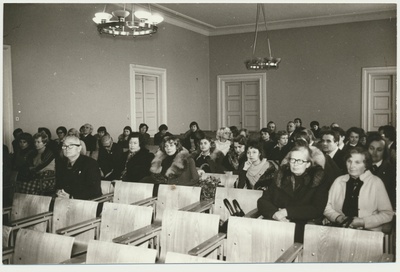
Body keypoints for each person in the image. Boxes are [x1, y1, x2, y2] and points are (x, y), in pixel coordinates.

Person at [257, 145, 329, 242]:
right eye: (293, 160)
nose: (295, 164)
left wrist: (286, 211)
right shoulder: (281, 176)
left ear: (308, 164)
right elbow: (263, 201)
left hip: (304, 228)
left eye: (300, 161)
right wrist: (274, 214)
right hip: (277, 224)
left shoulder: (318, 179)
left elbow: (317, 209)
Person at [323, 147, 394, 231]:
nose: (352, 166)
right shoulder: (339, 181)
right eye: (349, 161)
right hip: (340, 229)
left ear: (366, 165)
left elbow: (387, 214)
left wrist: (362, 222)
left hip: (368, 233)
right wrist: (338, 218)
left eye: (357, 162)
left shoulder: (376, 182)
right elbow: (326, 206)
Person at [55, 135, 102, 200]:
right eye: (64, 146)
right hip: (64, 200)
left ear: (79, 148)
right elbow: (58, 184)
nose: (67, 148)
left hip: (86, 202)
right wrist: (59, 191)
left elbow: (94, 190)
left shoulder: (90, 163)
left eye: (71, 146)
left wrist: (71, 196)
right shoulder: (61, 163)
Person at [18, 131, 56, 195]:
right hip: (35, 175)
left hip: (46, 178)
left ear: (44, 143)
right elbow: (28, 164)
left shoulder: (49, 153)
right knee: (20, 183)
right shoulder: (33, 152)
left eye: (38, 142)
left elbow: (41, 166)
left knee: (27, 185)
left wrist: (31, 169)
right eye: (35, 142)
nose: (36, 144)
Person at [367, 132, 396, 209]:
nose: (374, 153)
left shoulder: (392, 171)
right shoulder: (361, 167)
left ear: (384, 152)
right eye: (371, 148)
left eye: (379, 150)